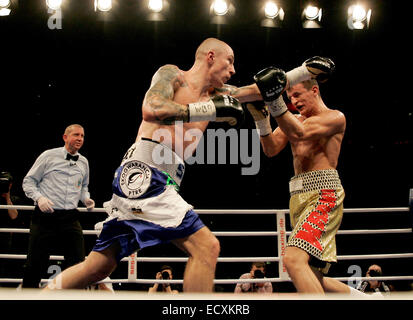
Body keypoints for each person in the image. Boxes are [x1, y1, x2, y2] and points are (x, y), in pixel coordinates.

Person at [44, 38, 333, 293]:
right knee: (207, 247)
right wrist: (203, 109)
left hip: (156, 178)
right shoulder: (173, 75)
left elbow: (256, 89)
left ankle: (38, 295)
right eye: (229, 62)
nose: (232, 70)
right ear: (210, 56)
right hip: (146, 171)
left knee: (98, 267)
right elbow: (152, 107)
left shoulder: (217, 95)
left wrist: (302, 72)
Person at [247, 75, 366, 296]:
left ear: (314, 90)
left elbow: (299, 133)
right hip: (298, 198)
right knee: (313, 278)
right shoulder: (294, 119)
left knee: (293, 259)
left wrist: (275, 102)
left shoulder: (335, 117)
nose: (294, 100)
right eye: (290, 97)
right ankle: (370, 299)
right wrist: (261, 120)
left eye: (297, 95)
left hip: (324, 194)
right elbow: (271, 149)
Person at [22, 124, 95, 288]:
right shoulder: (48, 156)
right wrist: (39, 198)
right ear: (65, 137)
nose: (80, 139)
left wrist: (86, 199)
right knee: (35, 263)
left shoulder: (84, 162)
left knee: (77, 263)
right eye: (76, 135)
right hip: (45, 217)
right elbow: (28, 182)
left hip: (70, 217)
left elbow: (83, 187)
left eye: (82, 136)